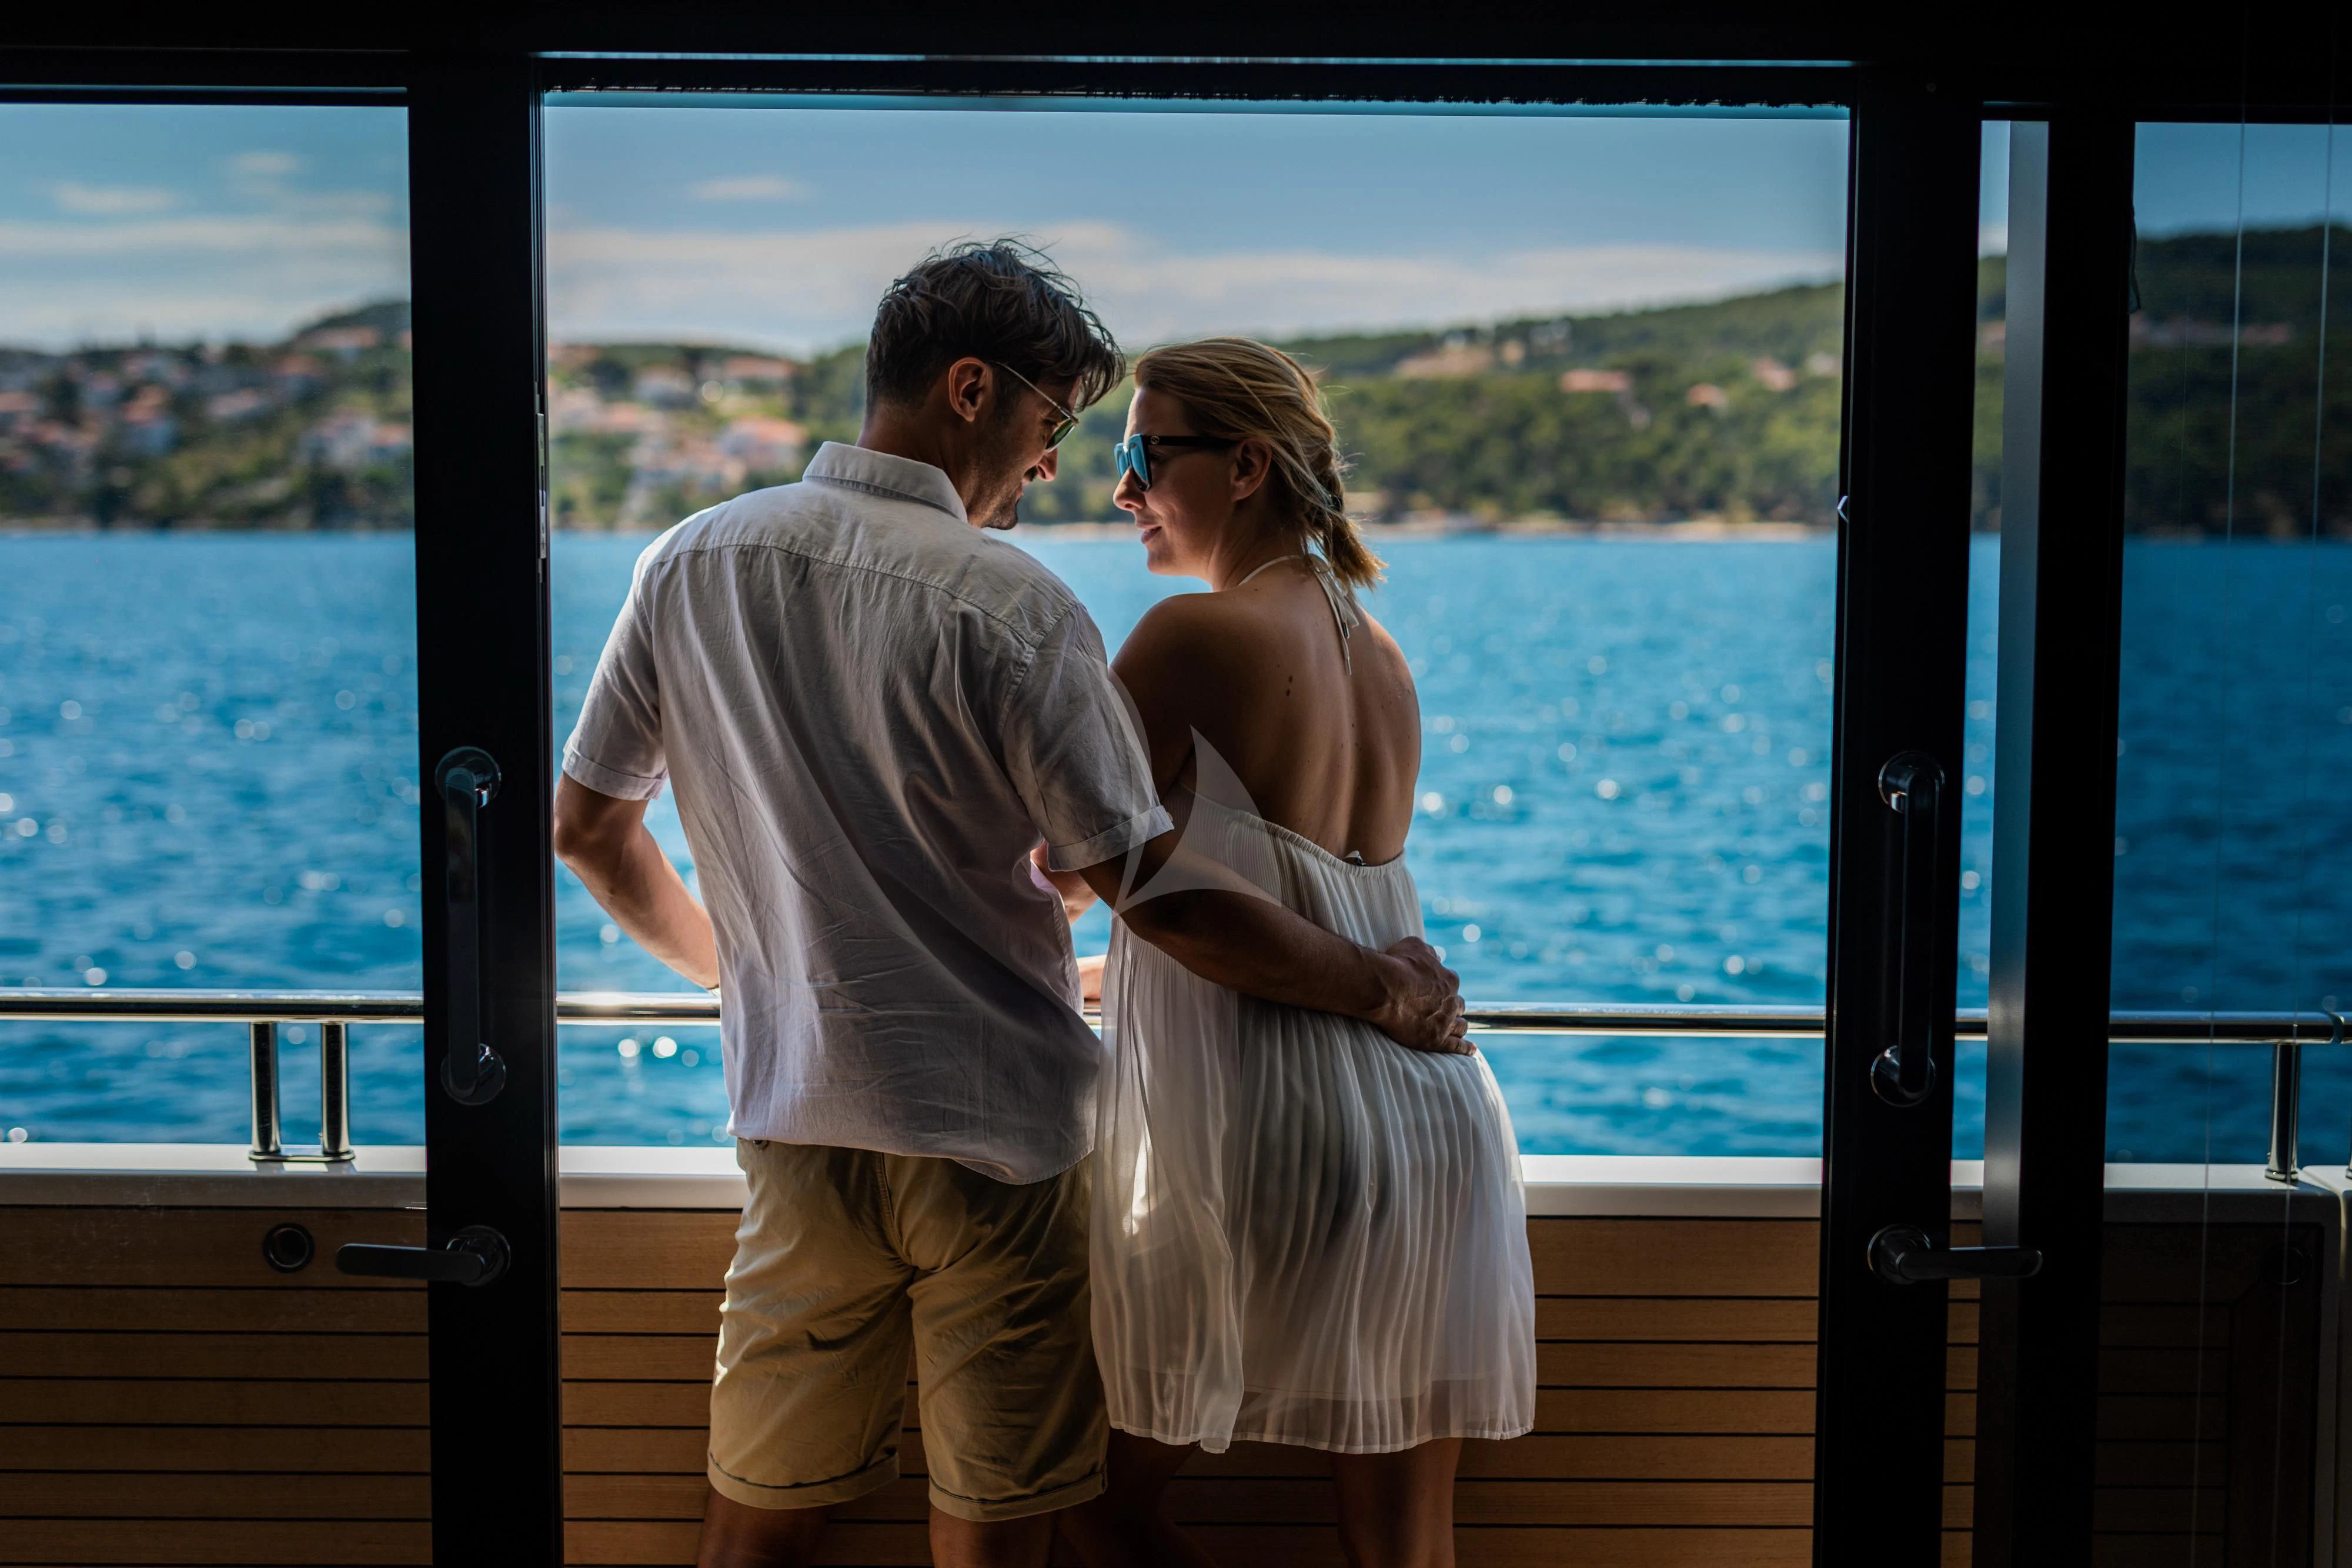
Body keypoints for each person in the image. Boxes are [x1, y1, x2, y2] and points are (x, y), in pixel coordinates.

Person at [551, 245, 1470, 1568]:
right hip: (1007, 1144)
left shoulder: (690, 560)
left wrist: (739, 974)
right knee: (1007, 1538)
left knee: (757, 1524)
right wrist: (1385, 988)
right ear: (971, 390)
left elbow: (589, 829)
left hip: (801, 1126)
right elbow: (1150, 890)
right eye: (1054, 424)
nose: (1054, 467)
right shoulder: (1016, 605)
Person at [1058, 339, 1536, 1568]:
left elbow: (1086, 870)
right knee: (1405, 1546)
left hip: (1278, 1133)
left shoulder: (1187, 637)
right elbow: (1311, 901)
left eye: (1143, 453)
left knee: (1093, 1506)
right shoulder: (1383, 658)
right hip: (1435, 1127)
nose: (1121, 488)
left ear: (1246, 465)